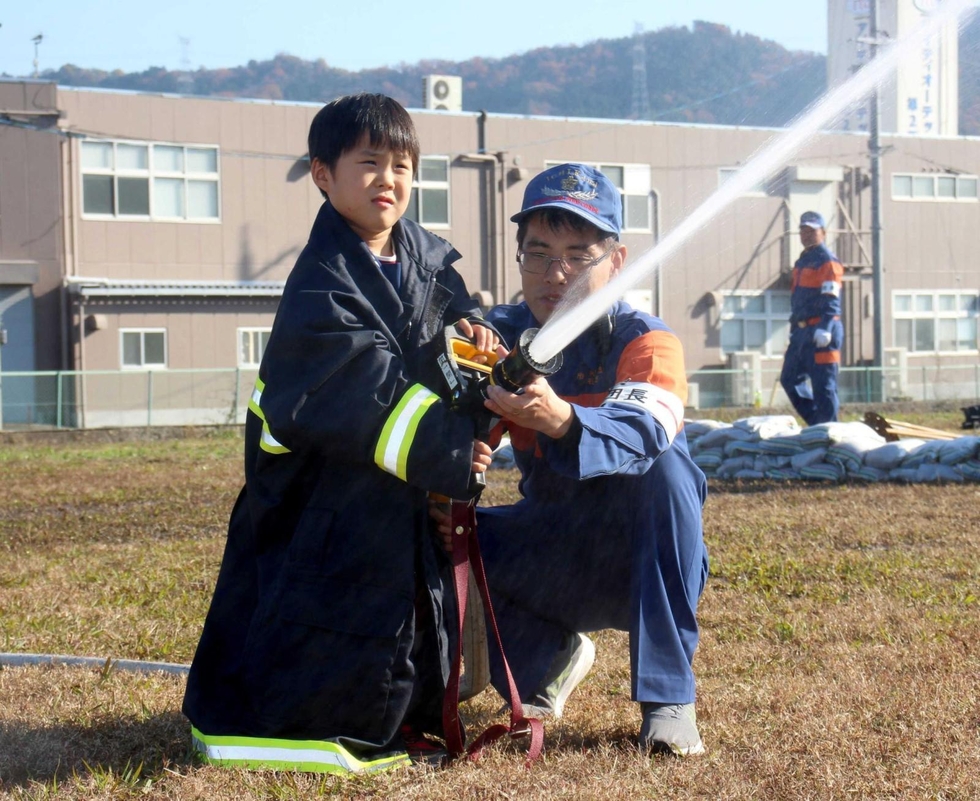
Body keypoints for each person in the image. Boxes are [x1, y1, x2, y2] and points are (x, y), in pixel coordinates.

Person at [182, 93, 499, 773]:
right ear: (323, 175)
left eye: (403, 165)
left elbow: (456, 336)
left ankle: (408, 709)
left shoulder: (431, 263)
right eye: (370, 162)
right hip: (320, 508)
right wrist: (451, 451)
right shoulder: (319, 287)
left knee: (415, 612)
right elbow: (365, 392)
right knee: (335, 636)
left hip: (404, 494)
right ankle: (345, 715)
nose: (389, 179)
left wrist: (478, 343)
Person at [453, 163, 710, 756]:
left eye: (578, 255)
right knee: (439, 531)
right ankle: (543, 661)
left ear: (616, 263)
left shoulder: (646, 340)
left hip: (643, 562)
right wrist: (459, 444)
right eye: (538, 253)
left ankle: (669, 699)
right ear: (517, 259)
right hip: (552, 548)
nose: (555, 273)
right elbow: (457, 423)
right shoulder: (500, 338)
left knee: (668, 469)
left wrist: (561, 418)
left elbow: (646, 431)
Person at [779, 210, 845, 426]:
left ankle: (828, 430)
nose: (806, 235)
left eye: (812, 231)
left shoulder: (827, 261)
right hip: (801, 331)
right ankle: (818, 424)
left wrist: (825, 327)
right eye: (803, 230)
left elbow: (831, 296)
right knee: (789, 379)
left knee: (823, 386)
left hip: (822, 329)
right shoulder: (802, 261)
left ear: (823, 233)